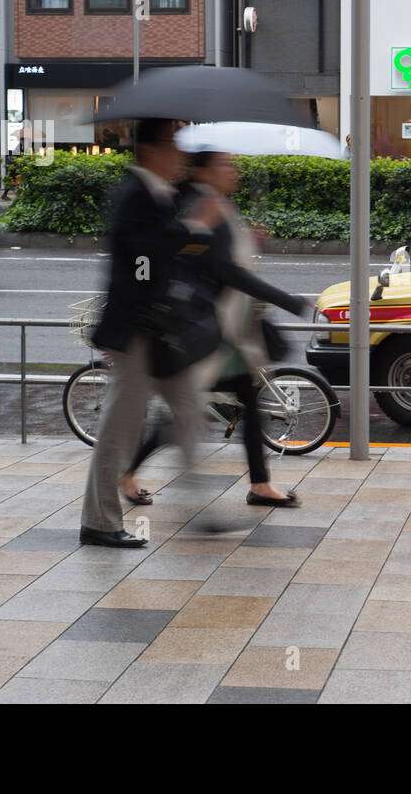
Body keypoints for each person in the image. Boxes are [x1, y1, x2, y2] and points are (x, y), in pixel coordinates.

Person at [121, 150, 310, 507]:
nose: (233, 170)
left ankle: (260, 484)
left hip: (229, 331)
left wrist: (249, 241)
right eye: (225, 164)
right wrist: (291, 301)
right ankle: (129, 473)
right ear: (204, 172)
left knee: (241, 402)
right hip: (211, 332)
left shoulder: (218, 206)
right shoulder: (205, 209)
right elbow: (228, 272)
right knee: (189, 409)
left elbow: (221, 262)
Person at [80, 118, 225, 547]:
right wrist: (195, 227)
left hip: (159, 331)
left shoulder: (157, 192)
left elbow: (161, 252)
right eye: (173, 144)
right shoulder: (134, 194)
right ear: (151, 149)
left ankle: (201, 512)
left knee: (187, 412)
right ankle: (99, 522)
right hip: (136, 333)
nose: (179, 153)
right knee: (120, 428)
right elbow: (143, 256)